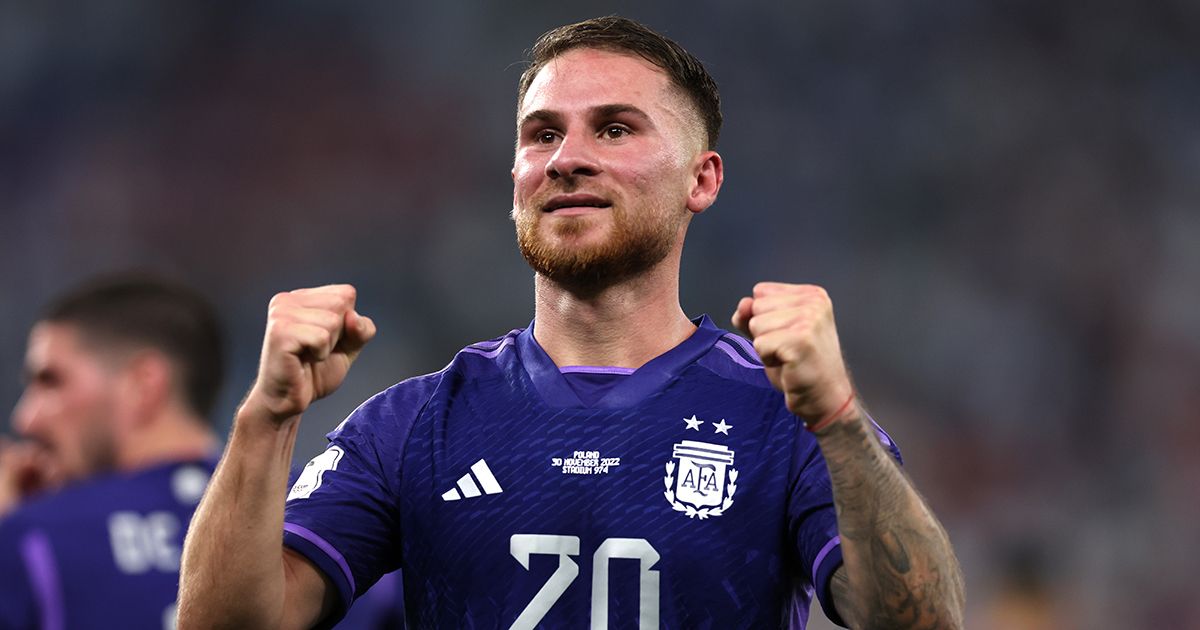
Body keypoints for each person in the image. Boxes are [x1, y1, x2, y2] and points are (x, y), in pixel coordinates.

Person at [179, 15, 965, 629]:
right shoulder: (414, 424)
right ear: (516, 178)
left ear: (703, 178)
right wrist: (268, 417)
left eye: (615, 129)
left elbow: (923, 623)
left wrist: (836, 417)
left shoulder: (781, 419)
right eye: (543, 133)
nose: (566, 158)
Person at [0, 275, 224, 629]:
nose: (26, 419)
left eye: (51, 380)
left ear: (143, 384)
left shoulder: (35, 540)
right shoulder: (309, 515)